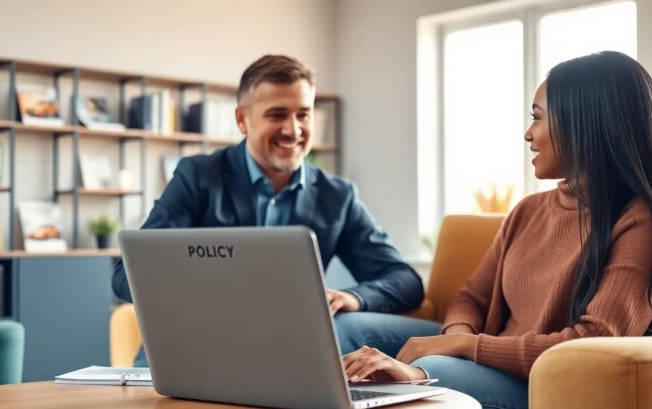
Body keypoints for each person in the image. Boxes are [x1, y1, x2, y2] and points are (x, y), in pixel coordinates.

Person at [338, 50, 652, 409]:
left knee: (426, 380)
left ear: (587, 125)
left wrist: (465, 347)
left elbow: (594, 343)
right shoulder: (528, 210)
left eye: (537, 118)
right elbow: (470, 298)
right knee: (349, 328)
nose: (528, 134)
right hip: (483, 361)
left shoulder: (641, 224)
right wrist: (452, 338)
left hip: (542, 390)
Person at [111, 54, 425, 367]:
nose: (293, 130)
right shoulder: (197, 177)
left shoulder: (337, 195)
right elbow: (127, 275)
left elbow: (405, 281)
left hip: (284, 358)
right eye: (277, 115)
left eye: (303, 115)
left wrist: (351, 298)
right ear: (242, 120)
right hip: (191, 350)